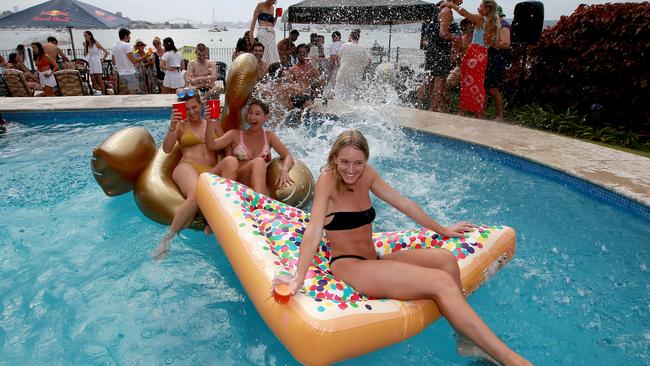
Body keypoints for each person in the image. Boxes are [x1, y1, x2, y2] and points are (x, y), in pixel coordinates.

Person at [288, 130, 531, 366]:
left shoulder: (367, 175)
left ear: (366, 160)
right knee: (440, 282)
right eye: (345, 162)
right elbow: (313, 231)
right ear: (334, 158)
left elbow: (403, 202)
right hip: (350, 265)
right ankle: (511, 360)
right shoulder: (327, 181)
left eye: (358, 163)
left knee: (445, 260)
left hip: (374, 259)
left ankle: (465, 338)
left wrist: (442, 229)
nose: (351, 169)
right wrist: (299, 277)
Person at [155, 88, 239, 259]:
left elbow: (226, 150)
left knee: (231, 162)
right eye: (187, 109)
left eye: (194, 107)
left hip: (209, 171)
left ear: (201, 106)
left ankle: (218, 221)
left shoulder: (213, 124)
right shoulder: (180, 126)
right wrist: (171, 128)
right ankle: (166, 240)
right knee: (195, 194)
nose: (191, 112)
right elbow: (167, 148)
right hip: (187, 167)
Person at [205, 98, 294, 196]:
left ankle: (259, 199)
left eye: (257, 114)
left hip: (256, 185)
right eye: (250, 113)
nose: (252, 117)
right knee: (239, 161)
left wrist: (284, 169)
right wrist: (209, 123)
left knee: (259, 162)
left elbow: (287, 156)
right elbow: (211, 145)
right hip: (237, 180)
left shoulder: (269, 136)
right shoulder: (235, 135)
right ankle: (259, 200)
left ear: (266, 117)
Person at [446, 0, 499, 116]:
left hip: (474, 54)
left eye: (480, 6)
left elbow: (464, 13)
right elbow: (494, 44)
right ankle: (479, 112)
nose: (478, 8)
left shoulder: (481, 19)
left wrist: (451, 5)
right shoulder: (494, 23)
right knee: (478, 84)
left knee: (466, 82)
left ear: (487, 8)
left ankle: (463, 110)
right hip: (484, 54)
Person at [430, 0, 462, 112]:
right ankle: (434, 108)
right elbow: (443, 33)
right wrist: (455, 38)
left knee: (433, 80)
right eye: (460, 0)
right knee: (440, 80)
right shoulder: (447, 10)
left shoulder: (438, 9)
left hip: (434, 49)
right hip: (440, 50)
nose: (461, 2)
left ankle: (435, 107)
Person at [484, 5, 512, 121]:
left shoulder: (504, 26)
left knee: (492, 88)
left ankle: (500, 115)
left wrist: (492, 43)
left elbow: (506, 44)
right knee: (485, 87)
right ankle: (482, 112)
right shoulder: (494, 26)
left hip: (497, 60)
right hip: (491, 59)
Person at [335, 29, 371, 100]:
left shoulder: (344, 45)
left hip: (342, 75)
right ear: (358, 38)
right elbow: (369, 61)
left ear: (350, 36)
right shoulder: (363, 48)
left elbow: (338, 58)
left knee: (339, 97)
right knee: (351, 99)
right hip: (355, 77)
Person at [286, 44, 324, 110]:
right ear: (297, 54)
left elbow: (321, 81)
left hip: (307, 96)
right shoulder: (292, 69)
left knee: (308, 105)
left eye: (304, 52)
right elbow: (289, 85)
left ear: (307, 54)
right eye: (300, 52)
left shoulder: (311, 69)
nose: (302, 54)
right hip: (295, 96)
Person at [112, 28, 145, 95]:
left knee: (122, 93)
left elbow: (113, 62)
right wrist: (145, 57)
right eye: (129, 35)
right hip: (130, 74)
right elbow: (134, 61)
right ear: (126, 36)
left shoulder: (114, 46)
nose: (130, 37)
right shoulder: (126, 45)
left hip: (120, 74)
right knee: (132, 96)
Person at [249, 0, 281, 65]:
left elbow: (272, 24)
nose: (273, 3)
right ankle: (262, 69)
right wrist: (251, 35)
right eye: (273, 1)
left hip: (271, 33)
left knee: (272, 54)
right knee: (263, 52)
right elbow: (254, 20)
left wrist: (276, 16)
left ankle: (272, 70)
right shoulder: (260, 5)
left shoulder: (272, 8)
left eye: (274, 1)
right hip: (262, 31)